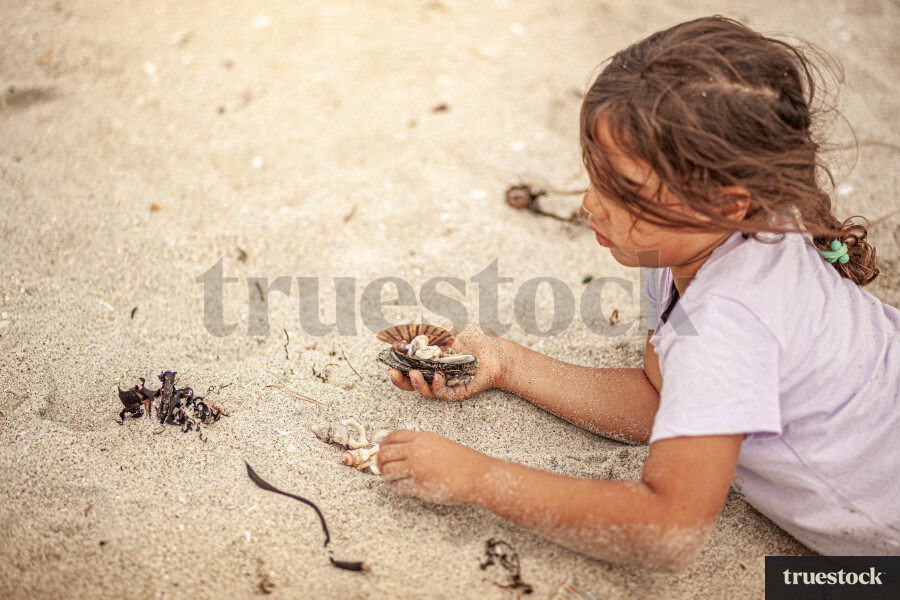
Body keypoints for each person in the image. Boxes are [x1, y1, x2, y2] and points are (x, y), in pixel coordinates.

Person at [376, 15, 900, 569]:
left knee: (798, 585)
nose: (590, 206)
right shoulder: (699, 240)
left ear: (728, 201)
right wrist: (506, 363)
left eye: (623, 190)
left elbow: (665, 532)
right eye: (593, 174)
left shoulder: (728, 322)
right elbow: (661, 398)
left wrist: (478, 479)